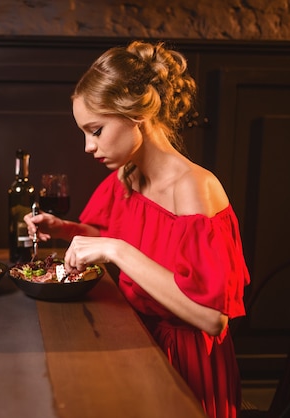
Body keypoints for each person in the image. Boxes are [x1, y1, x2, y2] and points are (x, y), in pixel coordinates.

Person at [25, 41, 250, 418]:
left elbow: (212, 318)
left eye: (95, 130)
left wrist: (117, 250)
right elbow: (120, 239)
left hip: (185, 368)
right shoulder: (129, 175)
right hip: (138, 341)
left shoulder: (195, 187)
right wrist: (65, 229)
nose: (87, 146)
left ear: (136, 115)